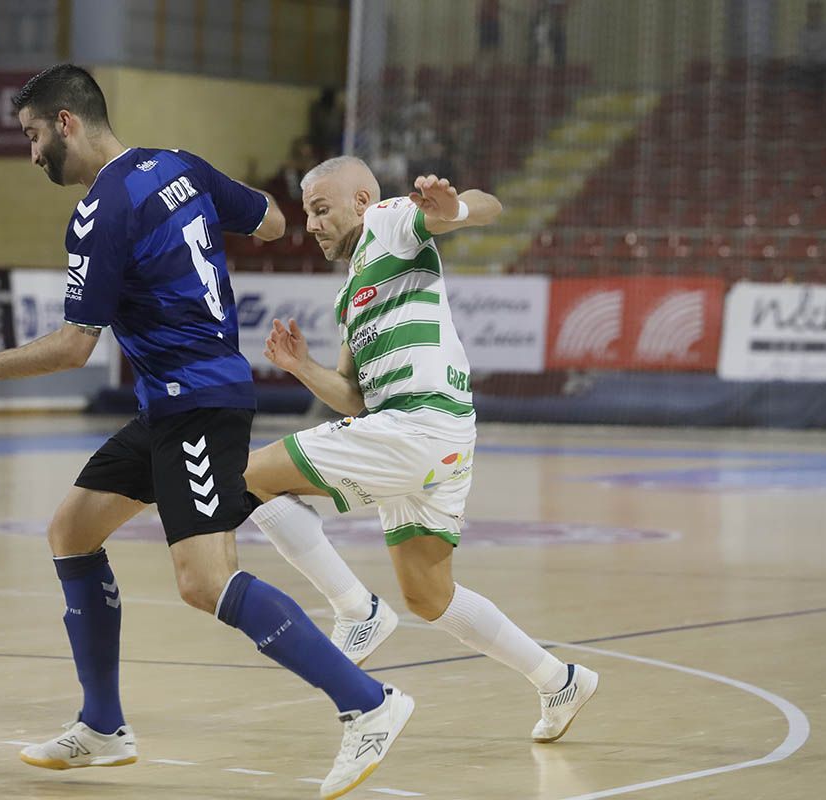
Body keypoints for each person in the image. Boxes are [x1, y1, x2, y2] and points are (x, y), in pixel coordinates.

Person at [0, 64, 413, 799]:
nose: (30, 156)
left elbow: (75, 346)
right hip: (172, 404)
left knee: (203, 581)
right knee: (71, 530)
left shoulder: (98, 214)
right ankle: (103, 728)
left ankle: (368, 703)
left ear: (66, 123)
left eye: (30, 137)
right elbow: (273, 221)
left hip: (197, 405)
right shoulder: (177, 165)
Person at [243, 157, 599, 745]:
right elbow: (354, 399)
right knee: (429, 596)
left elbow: (489, 203)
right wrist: (300, 367)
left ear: (362, 200)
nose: (312, 225)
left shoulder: (389, 223)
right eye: (307, 213)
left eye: (321, 209)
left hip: (419, 424)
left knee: (249, 476)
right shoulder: (352, 293)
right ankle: (557, 679)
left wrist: (451, 210)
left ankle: (355, 608)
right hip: (434, 435)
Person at [795, 1, 826, 94]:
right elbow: (801, 53)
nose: (813, 13)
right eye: (811, 10)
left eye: (816, 10)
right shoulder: (802, 31)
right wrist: (810, 60)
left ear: (820, 12)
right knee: (795, 71)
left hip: (825, 67)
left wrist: (819, 59)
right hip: (808, 68)